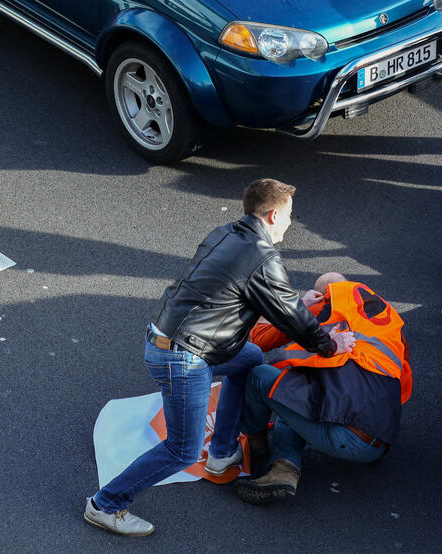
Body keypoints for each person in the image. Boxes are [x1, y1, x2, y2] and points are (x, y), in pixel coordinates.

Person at [83, 179, 355, 537]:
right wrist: (331, 344)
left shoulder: (226, 234)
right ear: (274, 215)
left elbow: (249, 297)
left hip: (171, 339)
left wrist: (294, 304)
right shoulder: (263, 257)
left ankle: (222, 453)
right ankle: (105, 505)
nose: (292, 222)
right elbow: (291, 316)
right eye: (290, 215)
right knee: (182, 450)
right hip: (184, 358)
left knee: (251, 357)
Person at [234, 276, 412, 503]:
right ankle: (283, 468)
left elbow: (257, 339)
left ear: (324, 294)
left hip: (346, 435)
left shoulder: (327, 304)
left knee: (260, 376)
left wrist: (299, 304)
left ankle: (256, 443)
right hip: (380, 439)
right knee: (292, 391)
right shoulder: (387, 321)